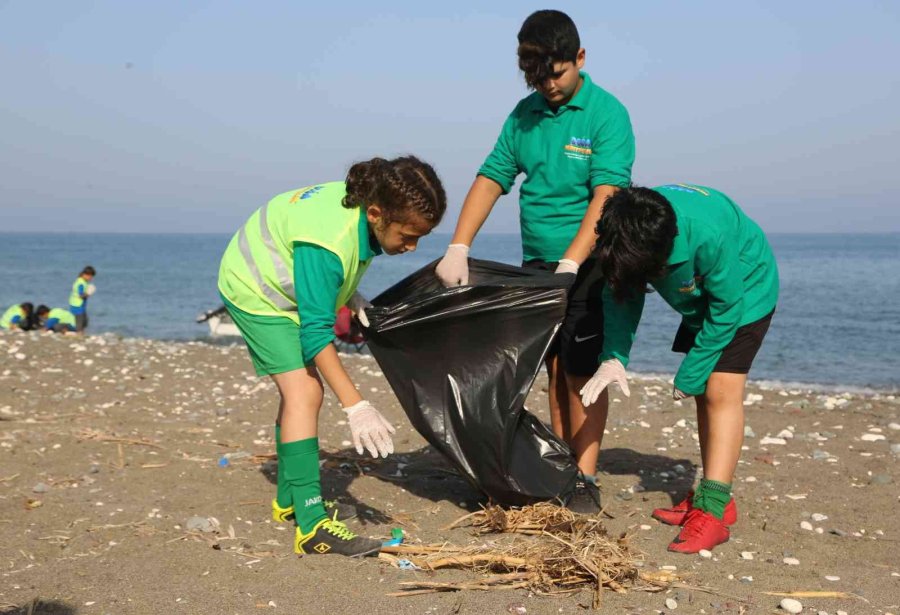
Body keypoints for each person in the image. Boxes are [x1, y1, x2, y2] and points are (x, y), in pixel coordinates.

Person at [434, 9, 635, 512]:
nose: (548, 85)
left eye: (557, 73)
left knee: (580, 373)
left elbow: (607, 194)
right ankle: (561, 465)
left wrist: (573, 261)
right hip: (538, 266)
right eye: (538, 76)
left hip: (590, 262)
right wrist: (458, 245)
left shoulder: (606, 114)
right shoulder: (524, 115)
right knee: (550, 370)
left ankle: (585, 477)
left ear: (580, 58)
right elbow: (492, 177)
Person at [218, 156, 446, 557]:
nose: (412, 247)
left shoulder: (366, 207)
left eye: (421, 239)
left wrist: (347, 295)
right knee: (305, 392)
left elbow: (323, 277)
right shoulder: (329, 240)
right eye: (408, 236)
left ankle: (289, 500)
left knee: (300, 394)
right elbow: (316, 333)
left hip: (288, 282)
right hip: (255, 290)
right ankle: (311, 527)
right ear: (376, 214)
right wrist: (355, 405)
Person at [580, 184, 779, 553]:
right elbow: (621, 293)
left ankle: (713, 514)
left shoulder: (707, 235)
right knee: (704, 393)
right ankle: (713, 497)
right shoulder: (624, 227)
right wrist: (613, 357)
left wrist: (691, 369)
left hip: (744, 293)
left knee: (719, 390)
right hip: (700, 300)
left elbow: (727, 308)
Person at [69, 266, 96, 332]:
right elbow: (81, 295)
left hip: (79, 305)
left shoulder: (82, 281)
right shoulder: (80, 283)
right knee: (80, 323)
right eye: (90, 276)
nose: (91, 278)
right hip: (77, 306)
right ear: (85, 275)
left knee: (85, 321)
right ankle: (79, 335)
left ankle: (79, 333)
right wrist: (89, 293)